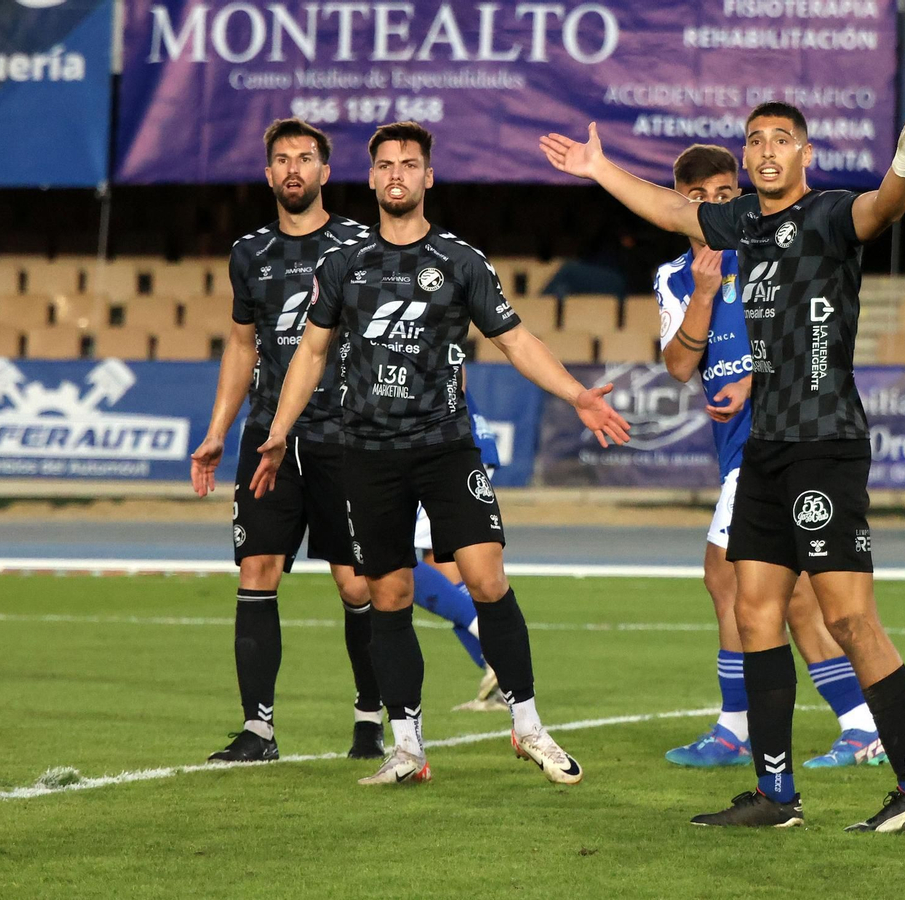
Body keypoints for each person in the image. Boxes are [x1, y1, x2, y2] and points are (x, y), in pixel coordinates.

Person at [541, 94, 905, 832]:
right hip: (764, 451)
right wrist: (600, 167)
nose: (766, 151)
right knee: (756, 610)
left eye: (781, 140)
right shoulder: (742, 225)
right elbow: (673, 215)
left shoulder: (828, 216)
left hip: (823, 444)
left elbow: (886, 206)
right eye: (755, 140)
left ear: (804, 154)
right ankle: (776, 795)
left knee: (849, 617)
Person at [252, 120, 631, 787]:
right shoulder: (341, 265)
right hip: (366, 451)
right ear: (370, 178)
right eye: (386, 164)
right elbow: (310, 352)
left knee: (487, 579)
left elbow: (515, 341)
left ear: (428, 178)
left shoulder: (461, 261)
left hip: (445, 448)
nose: (396, 173)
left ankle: (528, 727)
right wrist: (281, 430)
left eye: (409, 164)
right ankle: (408, 749)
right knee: (390, 593)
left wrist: (576, 394)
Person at [654, 145, 886, 771]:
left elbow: (802, 334)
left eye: (726, 195)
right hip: (742, 450)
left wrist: (754, 381)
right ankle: (861, 726)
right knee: (796, 600)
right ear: (683, 205)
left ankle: (736, 729)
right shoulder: (675, 276)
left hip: (781, 441)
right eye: (700, 199)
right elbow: (679, 366)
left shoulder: (770, 253)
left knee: (724, 577)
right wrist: (703, 294)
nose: (715, 206)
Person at [189, 118, 385, 764]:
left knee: (357, 585)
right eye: (282, 159)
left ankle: (368, 719)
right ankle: (258, 730)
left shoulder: (361, 243)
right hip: (267, 437)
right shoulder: (249, 253)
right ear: (269, 174)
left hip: (344, 436)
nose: (294, 168)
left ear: (327, 172)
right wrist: (218, 431)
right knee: (257, 571)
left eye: (306, 158)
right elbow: (242, 345)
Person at [411, 390, 503, 712]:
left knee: (389, 557)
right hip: (457, 440)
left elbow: (452, 368)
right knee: (445, 571)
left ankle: (495, 647)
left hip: (443, 447)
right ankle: (500, 677)